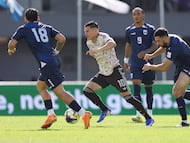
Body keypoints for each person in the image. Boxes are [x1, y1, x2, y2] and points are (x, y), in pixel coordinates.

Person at [8, 8, 92, 129]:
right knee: (41, 86)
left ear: (25, 19)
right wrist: (56, 50)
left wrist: (11, 49)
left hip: (46, 64)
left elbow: (11, 43)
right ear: (38, 18)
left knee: (60, 92)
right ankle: (51, 114)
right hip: (53, 61)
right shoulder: (46, 27)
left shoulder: (23, 29)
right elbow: (62, 38)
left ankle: (84, 114)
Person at [83, 20, 154, 126]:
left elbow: (112, 44)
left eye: (87, 31)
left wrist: (97, 50)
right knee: (87, 90)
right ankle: (104, 109)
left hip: (115, 72)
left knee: (128, 98)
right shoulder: (88, 42)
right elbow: (98, 56)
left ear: (95, 30)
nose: (86, 33)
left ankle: (148, 118)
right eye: (85, 31)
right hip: (103, 73)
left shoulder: (103, 36)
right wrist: (94, 53)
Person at [142, 27, 190, 127]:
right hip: (180, 66)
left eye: (158, 41)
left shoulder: (175, 45)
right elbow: (163, 48)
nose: (157, 43)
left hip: (188, 66)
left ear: (164, 38)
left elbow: (164, 68)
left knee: (176, 91)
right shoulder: (169, 39)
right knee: (179, 93)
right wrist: (151, 55)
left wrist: (150, 67)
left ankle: (184, 122)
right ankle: (184, 121)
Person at [124, 7, 157, 122]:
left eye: (138, 14)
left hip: (148, 63)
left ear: (143, 15)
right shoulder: (129, 30)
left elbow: (155, 45)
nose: (136, 16)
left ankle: (150, 113)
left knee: (148, 88)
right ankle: (138, 114)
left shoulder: (150, 29)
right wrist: (126, 61)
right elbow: (128, 46)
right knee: (136, 88)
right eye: (134, 14)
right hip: (135, 63)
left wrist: (146, 52)